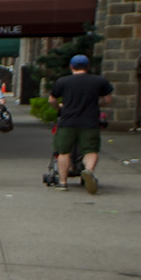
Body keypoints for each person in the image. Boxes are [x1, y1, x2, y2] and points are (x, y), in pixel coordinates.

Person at [51, 53, 114, 193]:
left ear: (71, 66)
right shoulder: (99, 81)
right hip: (89, 121)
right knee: (90, 150)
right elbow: (107, 100)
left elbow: (52, 99)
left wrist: (59, 108)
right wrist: (96, 104)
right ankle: (88, 171)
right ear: (88, 67)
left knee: (63, 151)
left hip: (68, 121)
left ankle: (62, 182)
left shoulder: (62, 81)